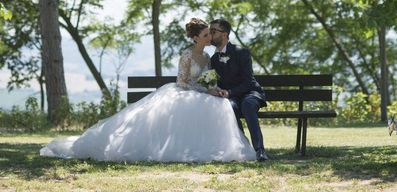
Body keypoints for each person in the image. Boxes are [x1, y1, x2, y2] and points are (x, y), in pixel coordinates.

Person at [39, 18, 256, 162]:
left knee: (218, 105)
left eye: (211, 34)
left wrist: (213, 90)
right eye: (207, 34)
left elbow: (210, 80)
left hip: (200, 93)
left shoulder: (208, 57)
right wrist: (201, 90)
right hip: (184, 92)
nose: (210, 37)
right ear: (196, 38)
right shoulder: (187, 55)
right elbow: (182, 82)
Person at [210, 18, 269, 161]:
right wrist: (218, 90)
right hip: (232, 98)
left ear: (224, 34)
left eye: (213, 31)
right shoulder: (213, 59)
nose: (210, 34)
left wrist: (230, 92)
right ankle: (244, 148)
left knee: (247, 104)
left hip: (250, 93)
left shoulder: (241, 52)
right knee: (229, 107)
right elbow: (214, 82)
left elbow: (248, 81)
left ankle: (260, 150)